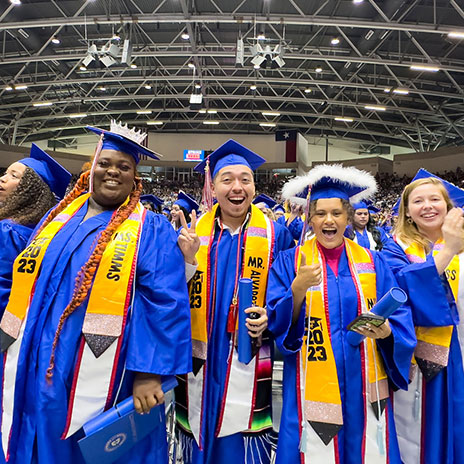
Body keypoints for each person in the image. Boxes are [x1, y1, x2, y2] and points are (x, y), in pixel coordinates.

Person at [0, 121, 192, 464]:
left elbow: (164, 300)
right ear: (92, 167)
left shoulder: (150, 228)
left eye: (124, 167)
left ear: (136, 177)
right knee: (34, 430)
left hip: (103, 365)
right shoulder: (56, 218)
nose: (112, 172)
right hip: (36, 355)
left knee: (83, 446)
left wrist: (149, 372)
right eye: (105, 164)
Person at [267, 164, 416, 464]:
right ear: (310, 218)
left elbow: (400, 316)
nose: (329, 220)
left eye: (336, 213)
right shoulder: (291, 262)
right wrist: (297, 290)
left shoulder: (373, 262)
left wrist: (388, 333)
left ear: (348, 216)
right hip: (312, 383)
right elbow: (278, 325)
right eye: (320, 213)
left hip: (365, 383)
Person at [174, 139, 294, 464]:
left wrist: (270, 315)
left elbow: (286, 292)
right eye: (227, 180)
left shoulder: (276, 235)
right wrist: (185, 260)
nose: (237, 187)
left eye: (245, 179)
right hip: (199, 353)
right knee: (196, 433)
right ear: (213, 187)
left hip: (248, 354)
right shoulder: (192, 233)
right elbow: (169, 294)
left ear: (255, 186)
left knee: (240, 441)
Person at [381, 169, 464, 464]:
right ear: (407, 212)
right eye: (418, 201)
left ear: (448, 205)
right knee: (422, 437)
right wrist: (448, 250)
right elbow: (401, 290)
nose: (427, 206)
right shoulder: (396, 248)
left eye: (434, 199)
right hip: (425, 358)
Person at [0, 144, 71, 315]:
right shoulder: (45, 232)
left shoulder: (8, 231)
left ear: (30, 190)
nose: (3, 178)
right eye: (5, 173)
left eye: (14, 175)